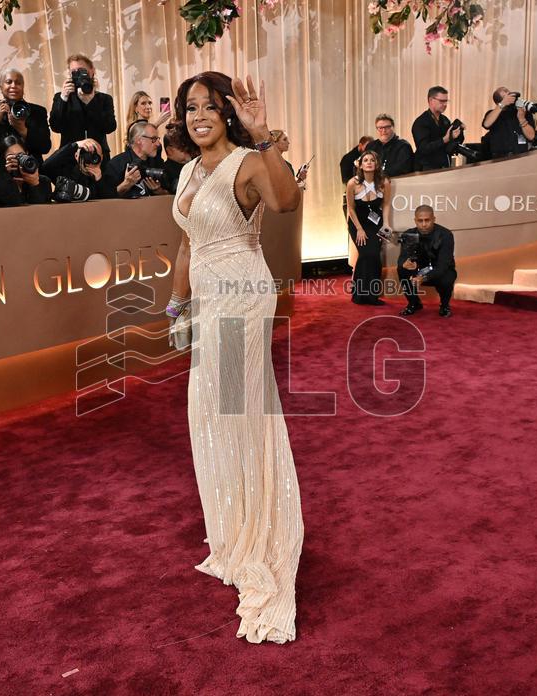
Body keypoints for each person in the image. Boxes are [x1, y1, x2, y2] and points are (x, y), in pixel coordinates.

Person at [166, 70, 303, 644]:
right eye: (190, 107)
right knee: (210, 413)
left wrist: (263, 133)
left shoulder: (247, 163)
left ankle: (258, 531)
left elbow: (287, 201)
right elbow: (188, 241)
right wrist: (177, 303)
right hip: (206, 299)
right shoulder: (186, 169)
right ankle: (233, 522)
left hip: (242, 297)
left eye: (208, 107)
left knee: (236, 413)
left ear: (227, 112)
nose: (198, 115)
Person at [345, 150, 391, 306]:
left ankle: (369, 295)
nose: (369, 162)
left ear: (377, 163)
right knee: (367, 253)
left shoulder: (384, 182)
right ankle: (360, 295)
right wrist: (359, 229)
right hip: (358, 223)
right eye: (366, 160)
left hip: (376, 223)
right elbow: (350, 208)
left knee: (373, 255)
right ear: (361, 164)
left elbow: (385, 204)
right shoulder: (353, 183)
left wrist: (386, 224)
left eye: (372, 160)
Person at [49, 54, 116, 161]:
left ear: (92, 71)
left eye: (82, 70)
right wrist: (64, 97)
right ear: (69, 75)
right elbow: (55, 127)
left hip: (98, 156)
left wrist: (90, 103)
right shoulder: (61, 97)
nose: (79, 75)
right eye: (74, 72)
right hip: (70, 157)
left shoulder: (104, 99)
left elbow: (110, 127)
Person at [398, 205, 456, 318]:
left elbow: (443, 265)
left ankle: (444, 306)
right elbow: (402, 258)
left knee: (447, 276)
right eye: (420, 221)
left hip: (439, 272)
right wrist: (405, 263)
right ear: (415, 221)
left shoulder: (445, 235)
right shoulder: (409, 234)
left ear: (433, 219)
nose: (424, 224)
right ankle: (414, 303)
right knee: (402, 269)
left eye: (427, 220)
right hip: (418, 270)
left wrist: (423, 278)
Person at [0, 68, 51, 159]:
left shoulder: (38, 111)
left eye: (18, 83)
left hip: (28, 166)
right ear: (1, 87)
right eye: (9, 82)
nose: (13, 86)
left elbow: (45, 147)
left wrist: (22, 129)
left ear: (23, 87)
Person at [104, 121, 167, 198]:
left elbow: (172, 195)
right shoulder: (117, 164)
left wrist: (159, 191)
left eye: (158, 139)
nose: (158, 144)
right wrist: (126, 184)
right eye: (154, 139)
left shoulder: (157, 162)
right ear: (139, 140)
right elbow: (106, 198)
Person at [39, 137, 107, 202]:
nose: (92, 158)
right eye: (88, 154)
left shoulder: (106, 172)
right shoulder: (67, 171)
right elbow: (46, 166)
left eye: (95, 155)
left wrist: (99, 179)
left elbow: (110, 198)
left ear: (102, 157)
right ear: (76, 155)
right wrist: (75, 145)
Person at [411, 87, 462, 171]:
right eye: (441, 101)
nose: (445, 104)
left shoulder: (445, 120)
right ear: (431, 100)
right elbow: (424, 148)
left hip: (444, 165)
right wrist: (444, 139)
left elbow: (450, 146)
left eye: (446, 101)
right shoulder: (421, 122)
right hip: (426, 168)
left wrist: (459, 132)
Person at [481, 86, 536, 159]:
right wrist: (502, 104)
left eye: (508, 93)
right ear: (498, 102)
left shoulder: (523, 112)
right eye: (505, 96)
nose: (509, 97)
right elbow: (486, 124)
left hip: (521, 155)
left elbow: (531, 136)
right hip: (500, 158)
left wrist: (521, 119)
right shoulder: (492, 113)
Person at [0, 134, 51, 204]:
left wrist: (35, 184)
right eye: (11, 157)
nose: (17, 160)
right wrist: (7, 178)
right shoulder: (0, 184)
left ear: (27, 153)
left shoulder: (43, 181)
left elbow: (44, 210)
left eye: (20, 155)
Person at [161, 122, 191, 195]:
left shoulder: (196, 165)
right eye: (181, 146)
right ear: (169, 150)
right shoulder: (165, 172)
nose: (187, 148)